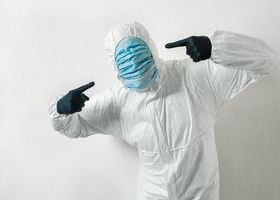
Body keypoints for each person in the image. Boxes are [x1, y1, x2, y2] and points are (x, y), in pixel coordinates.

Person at [49, 21, 280, 200]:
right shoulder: (117, 103)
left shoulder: (197, 78)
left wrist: (216, 47)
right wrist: (62, 110)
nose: (133, 62)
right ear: (114, 64)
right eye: (124, 57)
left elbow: (268, 60)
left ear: (150, 47)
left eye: (136, 52)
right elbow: (75, 126)